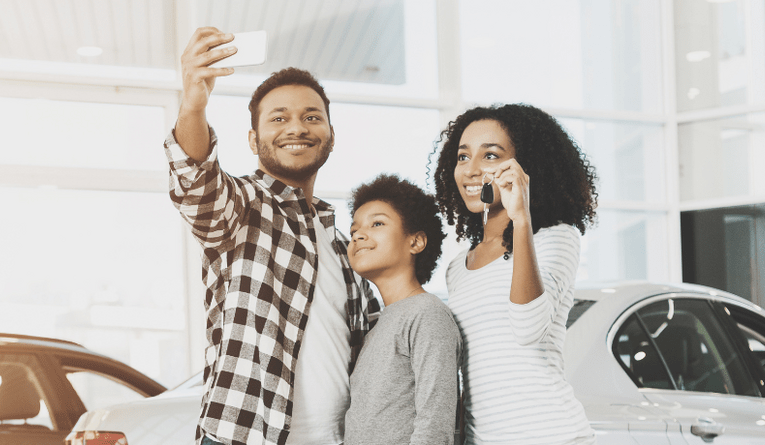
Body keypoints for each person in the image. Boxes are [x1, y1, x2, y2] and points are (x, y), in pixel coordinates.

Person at [166, 27, 379, 445]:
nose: (296, 128)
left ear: (330, 136)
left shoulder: (344, 245)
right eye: (278, 118)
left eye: (311, 117)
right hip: (244, 436)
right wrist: (193, 103)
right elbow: (195, 183)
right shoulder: (242, 206)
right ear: (252, 139)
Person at [431, 104, 599, 444]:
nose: (471, 170)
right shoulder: (457, 269)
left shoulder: (556, 238)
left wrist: (521, 218)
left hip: (552, 435)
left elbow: (528, 327)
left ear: (524, 167)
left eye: (490, 156)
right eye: (463, 157)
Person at [343, 174, 459, 445]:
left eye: (378, 223)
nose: (359, 234)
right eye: (353, 231)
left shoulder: (427, 314)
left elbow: (435, 423)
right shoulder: (378, 326)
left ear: (415, 242)